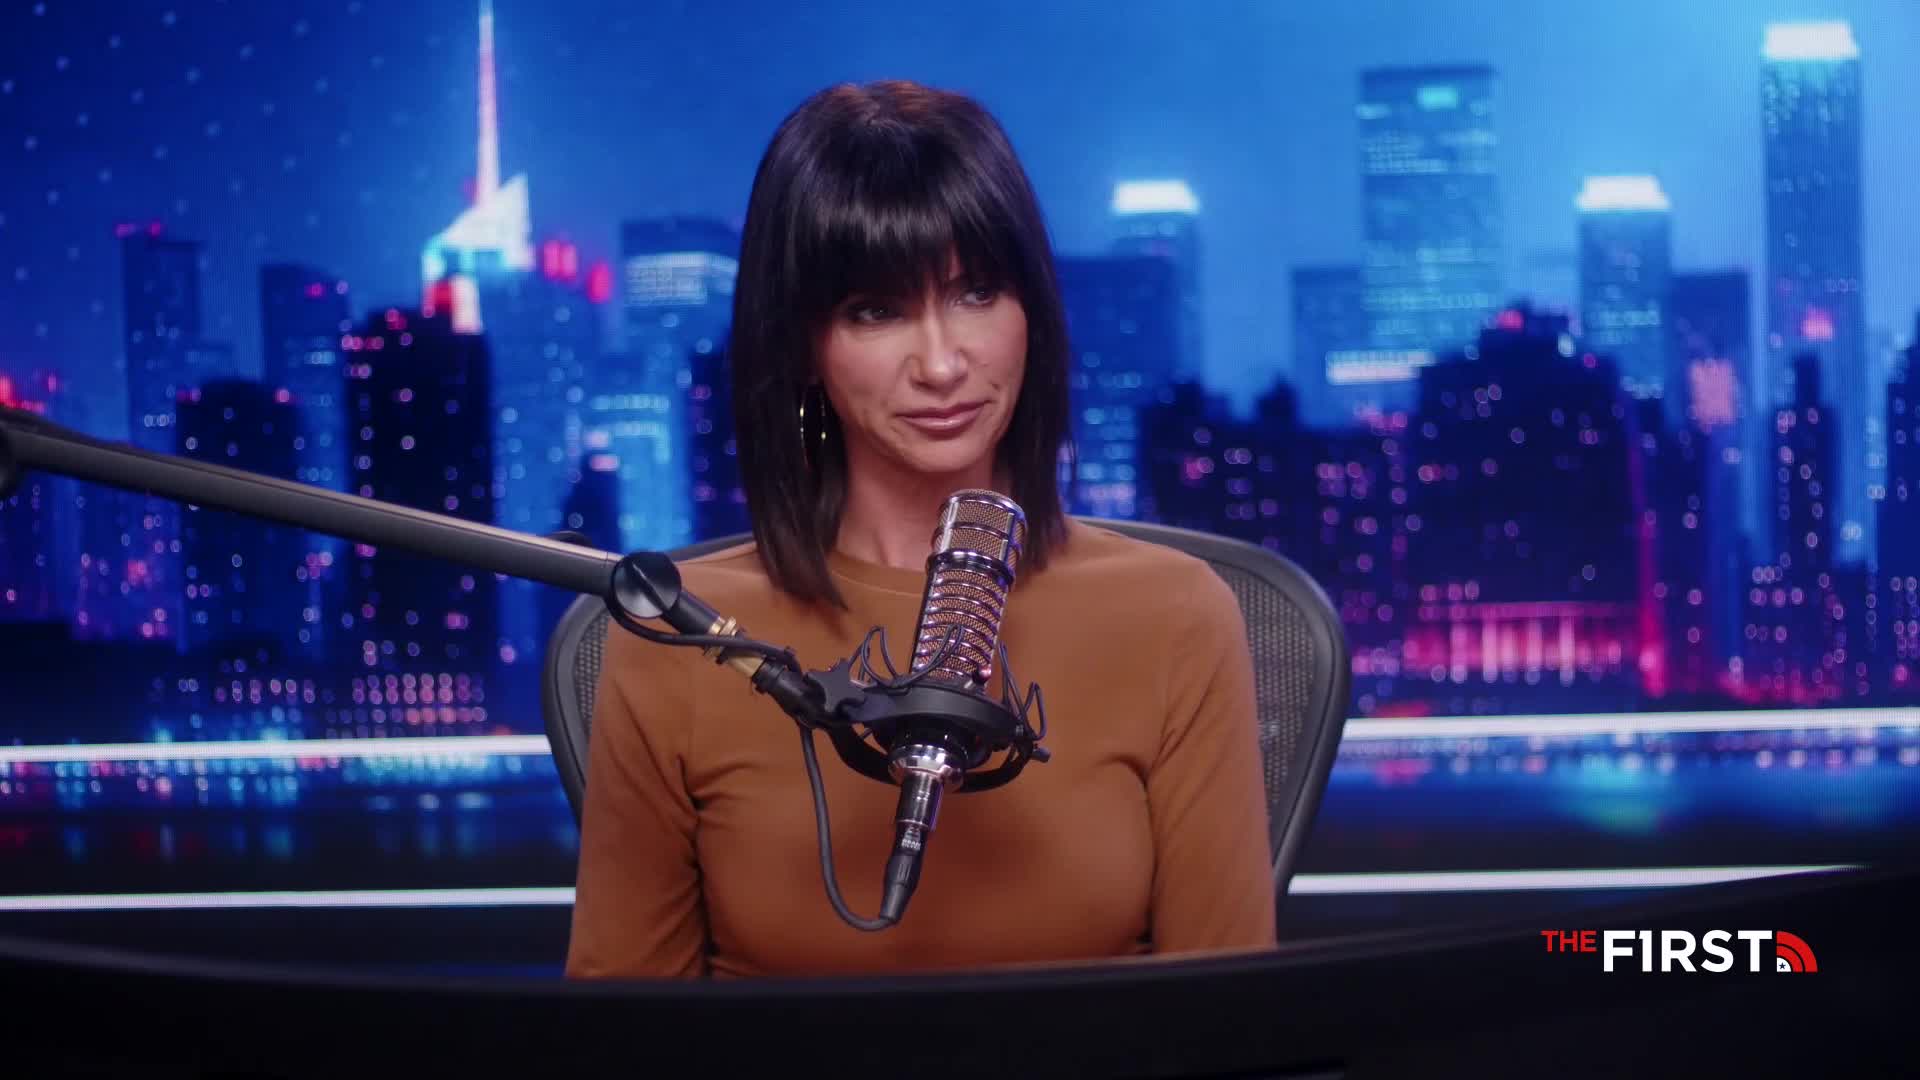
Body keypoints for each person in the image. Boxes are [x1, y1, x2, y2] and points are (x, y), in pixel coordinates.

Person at [566, 80, 1275, 979]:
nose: (942, 364)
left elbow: (1232, 1025)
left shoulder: (1175, 616)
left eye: (978, 292)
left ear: (1034, 315)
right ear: (803, 346)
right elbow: (622, 1042)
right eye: (876, 311)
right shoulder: (681, 635)